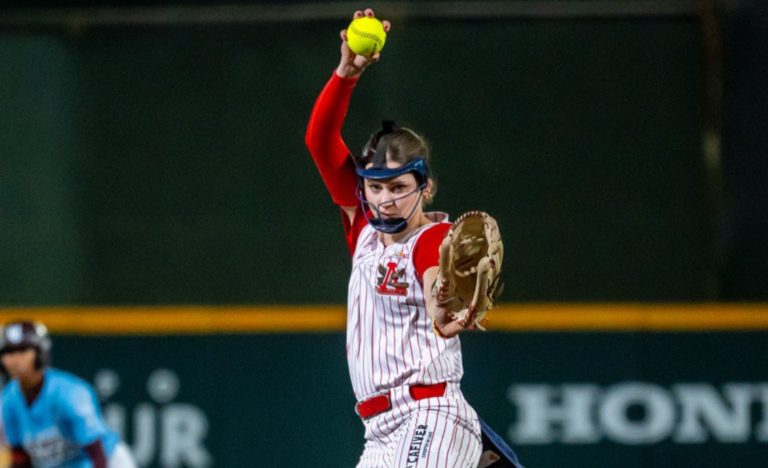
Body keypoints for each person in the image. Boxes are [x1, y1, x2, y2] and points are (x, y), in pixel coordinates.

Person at [305, 8, 516, 467]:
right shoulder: (363, 230)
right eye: (376, 187)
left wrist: (443, 307)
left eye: (399, 187)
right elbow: (320, 142)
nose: (385, 200)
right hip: (379, 433)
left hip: (430, 413)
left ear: (426, 187)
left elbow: (433, 278)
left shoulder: (432, 237)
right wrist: (345, 74)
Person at [0, 320, 136, 468]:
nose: (15, 359)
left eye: (23, 350)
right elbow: (20, 458)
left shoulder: (70, 394)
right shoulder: (8, 400)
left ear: (40, 353)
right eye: (9, 352)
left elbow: (98, 455)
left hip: (110, 461)